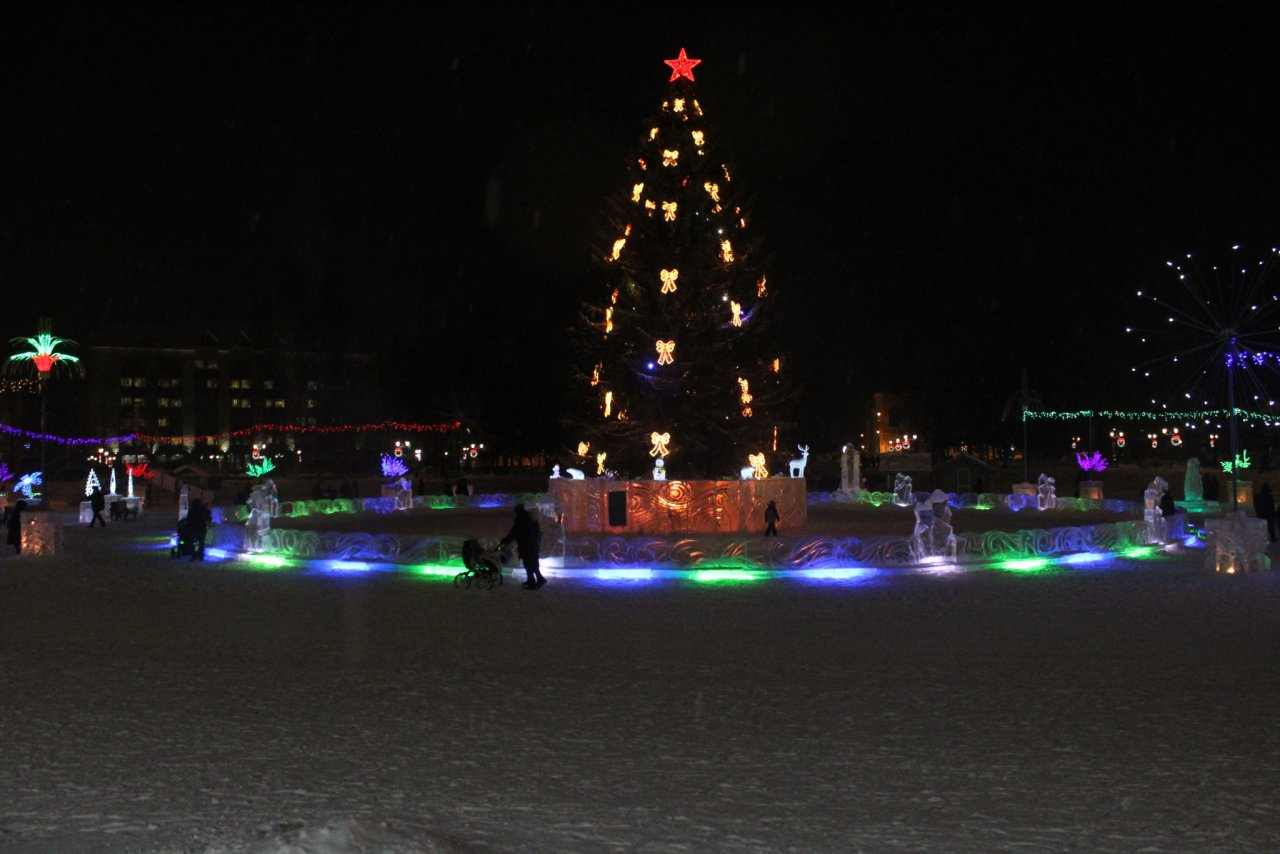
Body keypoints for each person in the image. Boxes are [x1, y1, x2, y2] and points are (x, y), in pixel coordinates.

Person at [501, 503, 545, 589]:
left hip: (526, 545)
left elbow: (514, 532)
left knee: (528, 563)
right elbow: (536, 530)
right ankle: (533, 579)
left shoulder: (520, 520)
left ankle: (535, 581)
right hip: (533, 544)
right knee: (532, 563)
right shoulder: (530, 518)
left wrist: (506, 540)